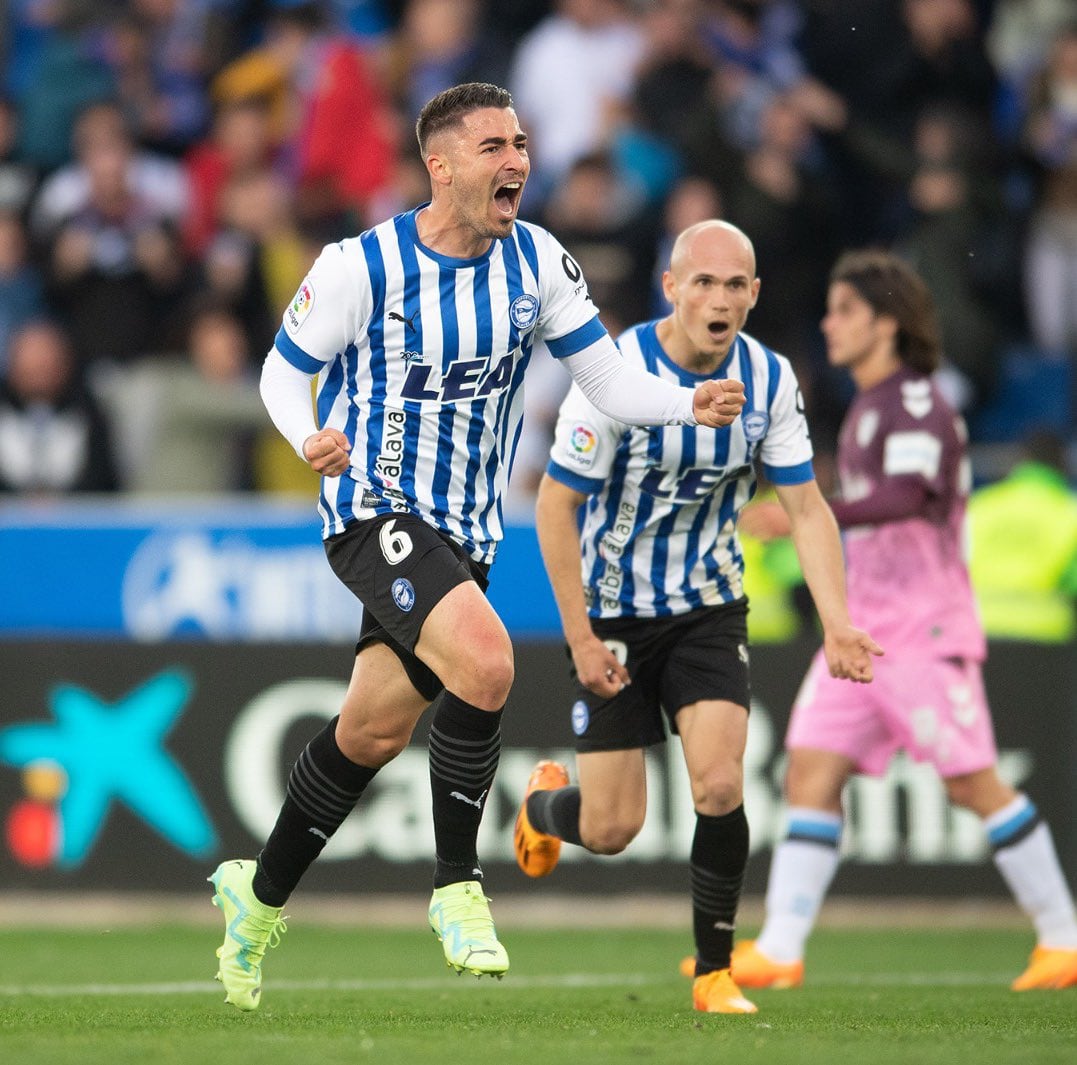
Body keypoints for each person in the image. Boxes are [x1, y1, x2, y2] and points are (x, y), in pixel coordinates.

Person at [209, 82, 747, 1012]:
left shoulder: (537, 260)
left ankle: (251, 901)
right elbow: (280, 372)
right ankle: (457, 888)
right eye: (495, 145)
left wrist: (683, 400)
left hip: (464, 532)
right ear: (441, 164)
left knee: (370, 730)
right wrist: (306, 438)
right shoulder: (358, 267)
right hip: (373, 512)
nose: (518, 162)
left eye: (522, 142)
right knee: (488, 662)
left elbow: (611, 381)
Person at [514, 219, 882, 1015]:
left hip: (709, 606)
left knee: (719, 784)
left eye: (733, 285)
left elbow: (806, 509)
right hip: (613, 613)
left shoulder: (771, 380)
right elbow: (553, 502)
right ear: (670, 288)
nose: (718, 298)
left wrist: (838, 620)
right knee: (611, 829)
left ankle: (714, 971)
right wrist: (578, 635)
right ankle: (545, 803)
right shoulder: (611, 377)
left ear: (752, 295)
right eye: (702, 282)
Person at [734, 249, 1077, 992]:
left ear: (886, 323)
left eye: (845, 310)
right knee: (810, 770)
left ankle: (1063, 935)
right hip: (862, 628)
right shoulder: (868, 407)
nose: (829, 323)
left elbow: (908, 494)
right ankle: (782, 948)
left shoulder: (915, 401)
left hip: (920, 628)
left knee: (970, 784)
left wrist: (805, 513)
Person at [967, 430, 1077, 643]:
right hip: (1047, 636)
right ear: (1064, 466)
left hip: (980, 628)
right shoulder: (1070, 513)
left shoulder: (979, 507)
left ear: (1022, 461)